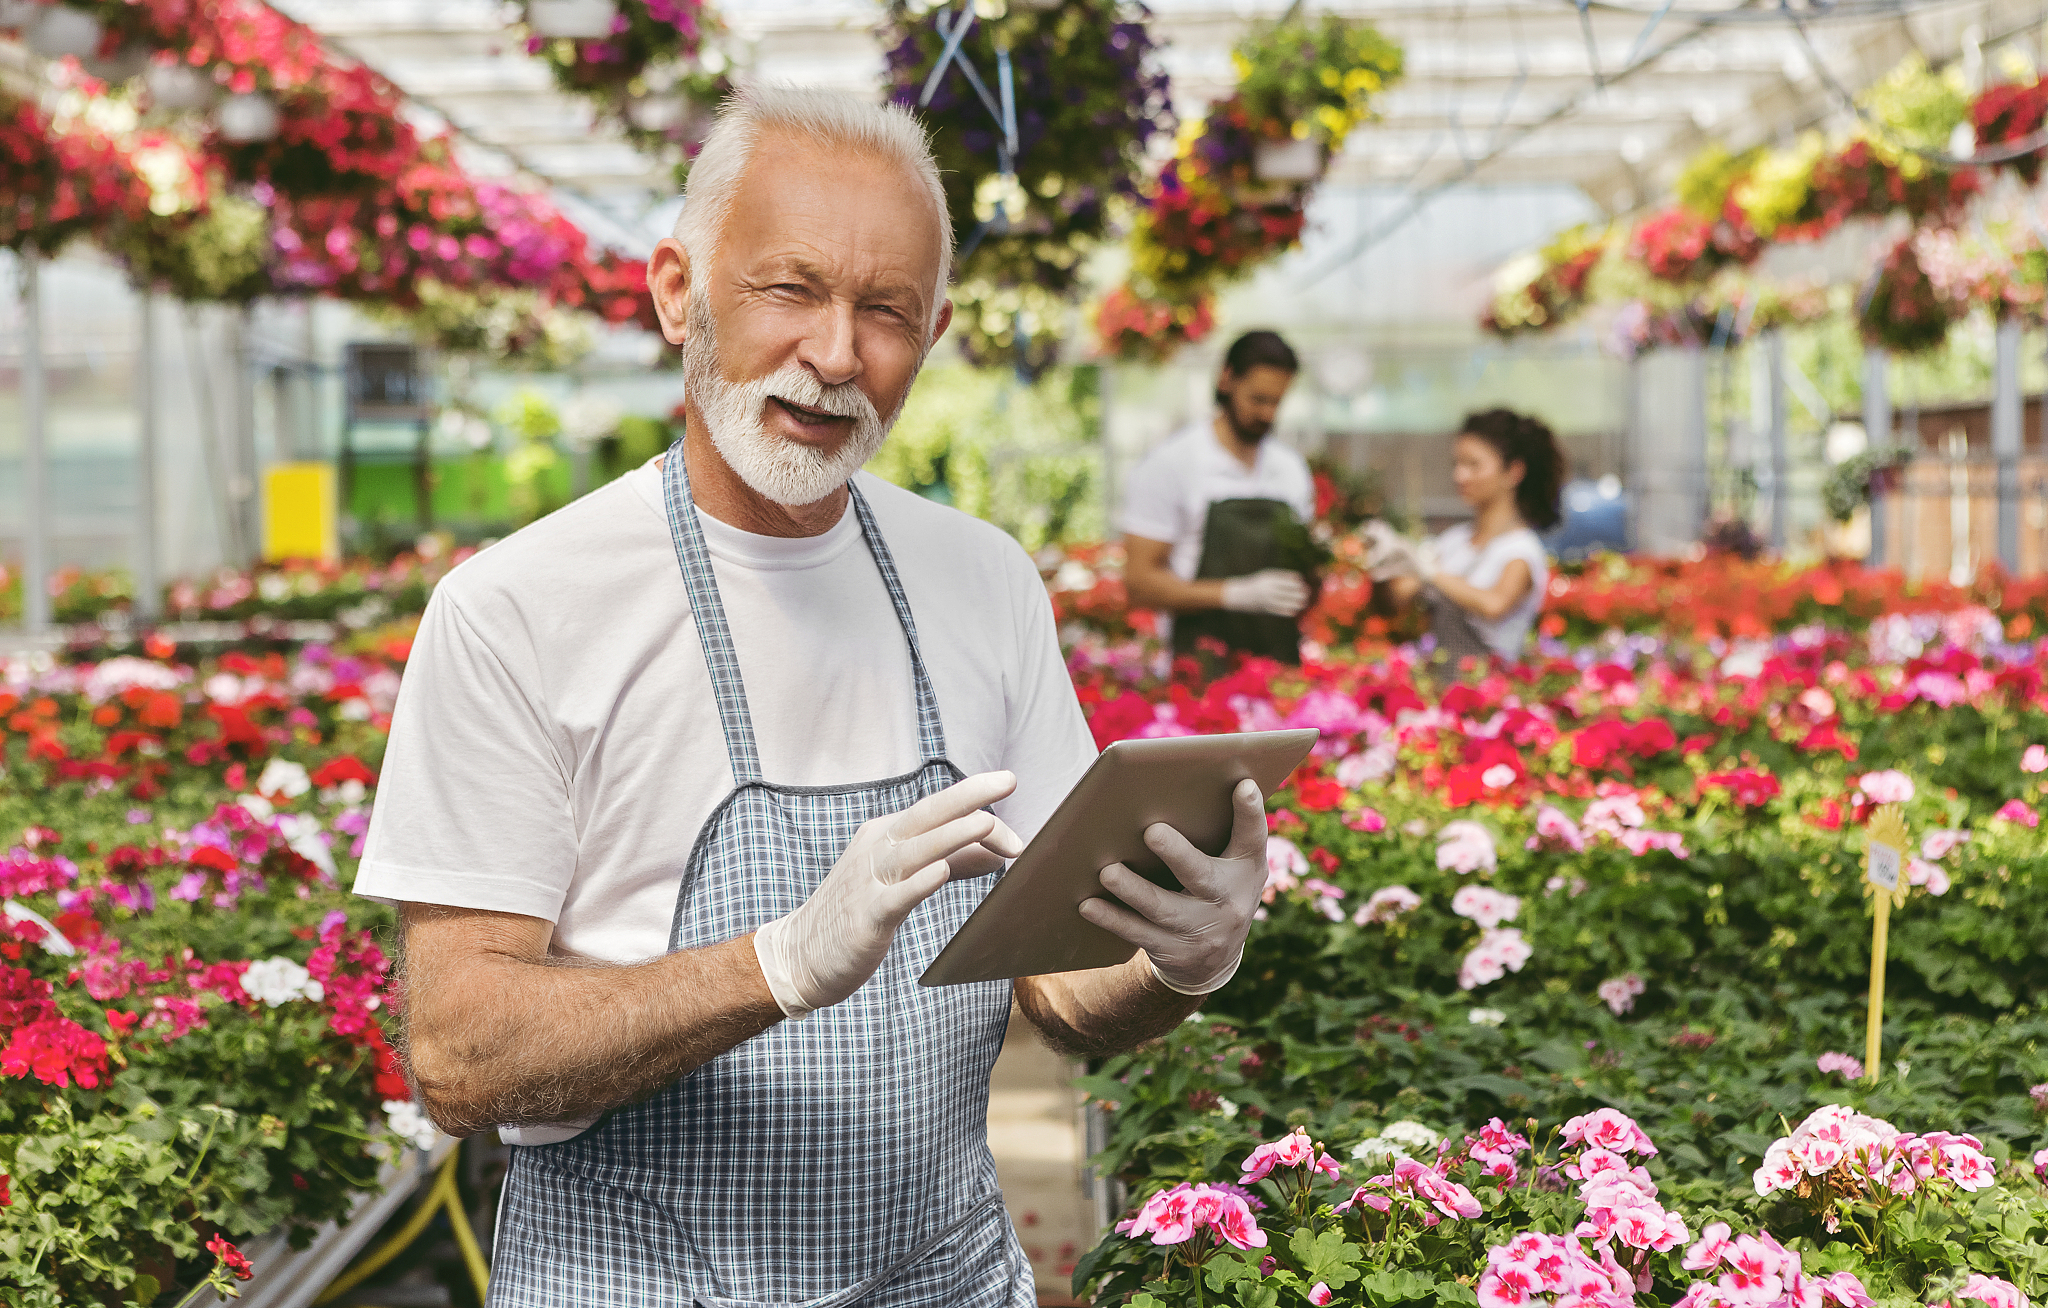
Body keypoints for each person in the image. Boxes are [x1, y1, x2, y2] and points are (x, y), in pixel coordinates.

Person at [353, 86, 1269, 1308]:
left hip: (939, 1277)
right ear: (679, 289)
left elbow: (1063, 989)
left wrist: (1179, 958)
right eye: (789, 289)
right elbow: (458, 1057)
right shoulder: (517, 610)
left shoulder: (982, 579)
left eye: (885, 310)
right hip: (637, 1286)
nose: (837, 355)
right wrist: (779, 962)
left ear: (932, 331)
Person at [1119, 330, 1318, 663]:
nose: (1268, 414)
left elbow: (1305, 566)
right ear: (1227, 379)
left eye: (1277, 402)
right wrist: (1234, 594)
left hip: (1277, 664)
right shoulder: (1172, 465)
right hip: (1198, 666)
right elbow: (1139, 584)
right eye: (1258, 399)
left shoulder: (1290, 470)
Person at [1369, 408, 1563, 668]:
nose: (1460, 476)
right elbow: (1397, 602)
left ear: (1514, 472)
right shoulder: (1452, 541)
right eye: (1457, 465)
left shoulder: (1521, 549)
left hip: (1488, 693)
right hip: (1441, 689)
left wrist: (1431, 573)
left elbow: (1495, 605)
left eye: (1473, 465)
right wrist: (1384, 563)